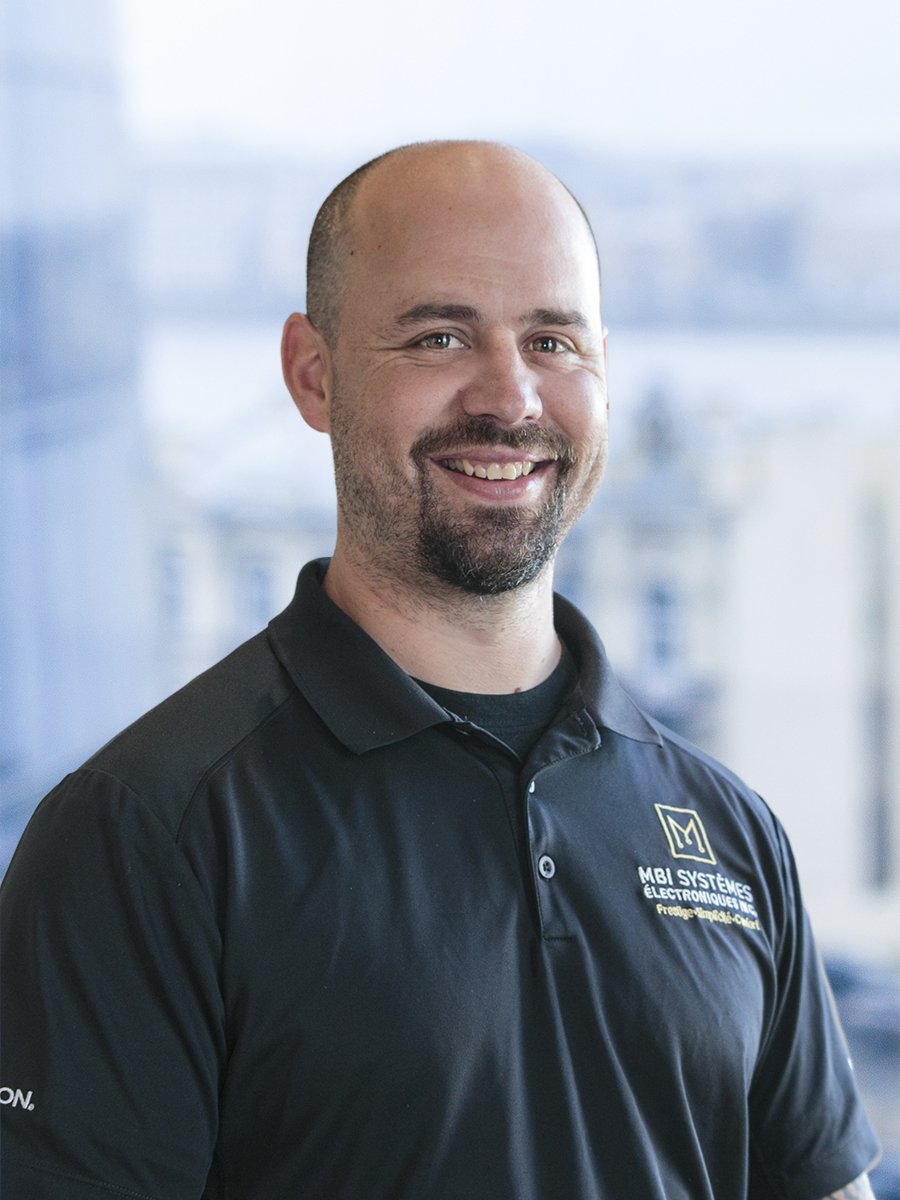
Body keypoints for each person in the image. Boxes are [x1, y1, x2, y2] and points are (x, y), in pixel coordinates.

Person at [1, 141, 880, 1200]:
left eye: (552, 339)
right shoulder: (144, 832)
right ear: (312, 373)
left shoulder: (730, 832)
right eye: (440, 335)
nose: (508, 397)